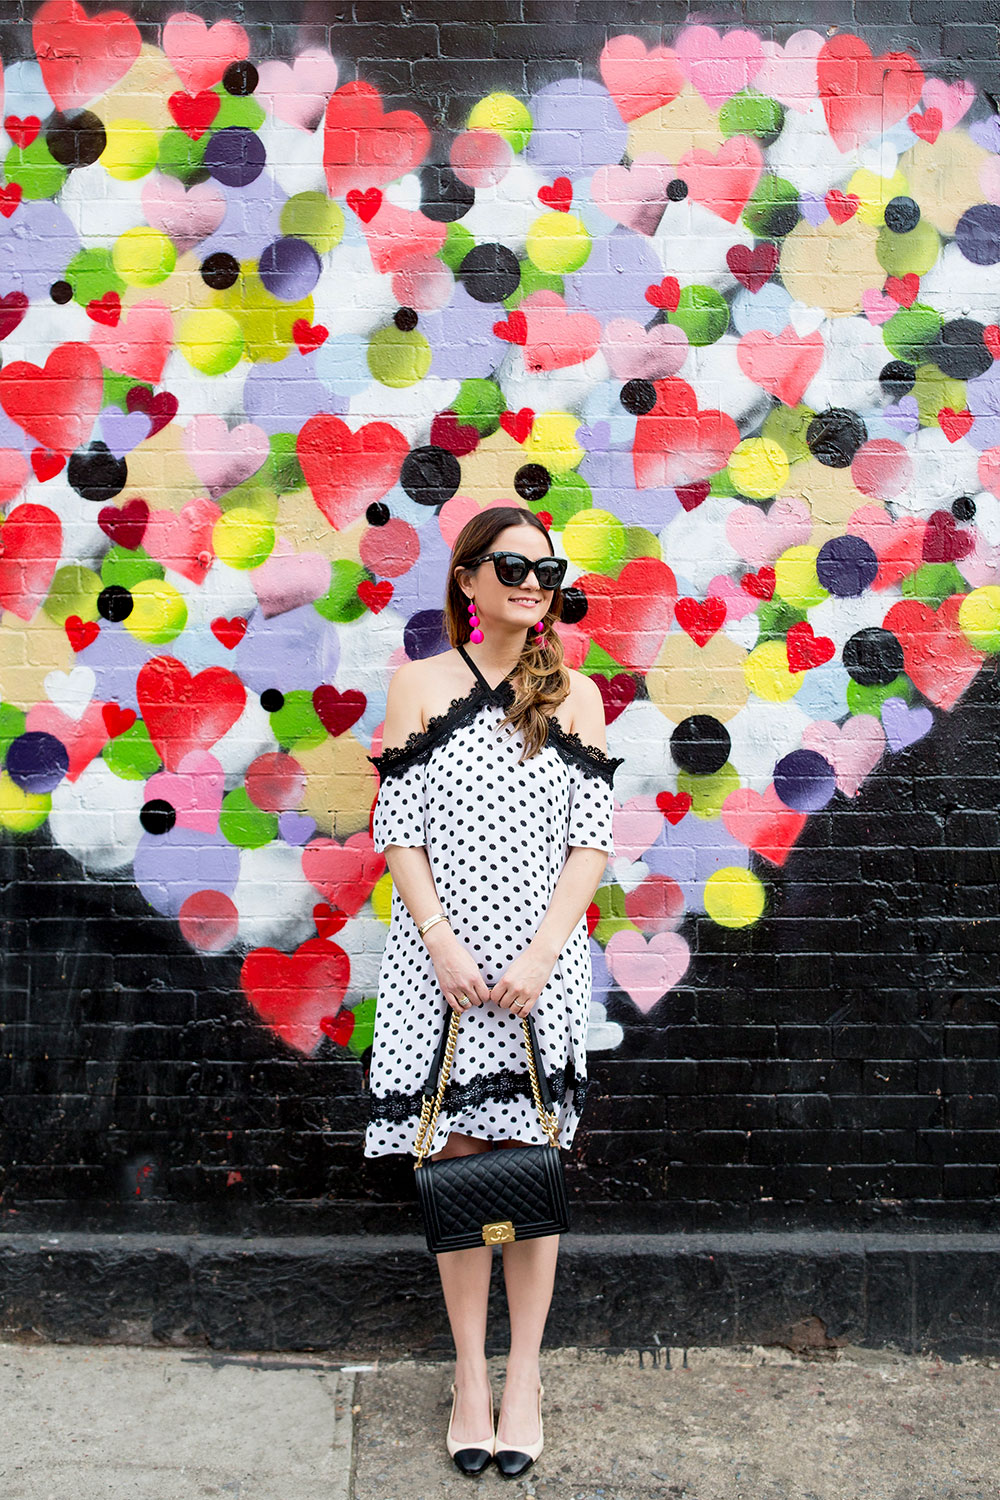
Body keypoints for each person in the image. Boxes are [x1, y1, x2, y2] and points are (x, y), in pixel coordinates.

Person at [363, 504, 623, 1477]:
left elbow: (590, 842)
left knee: (530, 1158)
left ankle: (523, 1379)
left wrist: (544, 954)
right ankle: (469, 1375)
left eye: (544, 569)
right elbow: (400, 829)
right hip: (440, 973)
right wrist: (437, 942)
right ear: (467, 579)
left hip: (536, 974)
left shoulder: (578, 698)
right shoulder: (419, 687)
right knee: (460, 1159)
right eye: (510, 565)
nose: (530, 580)